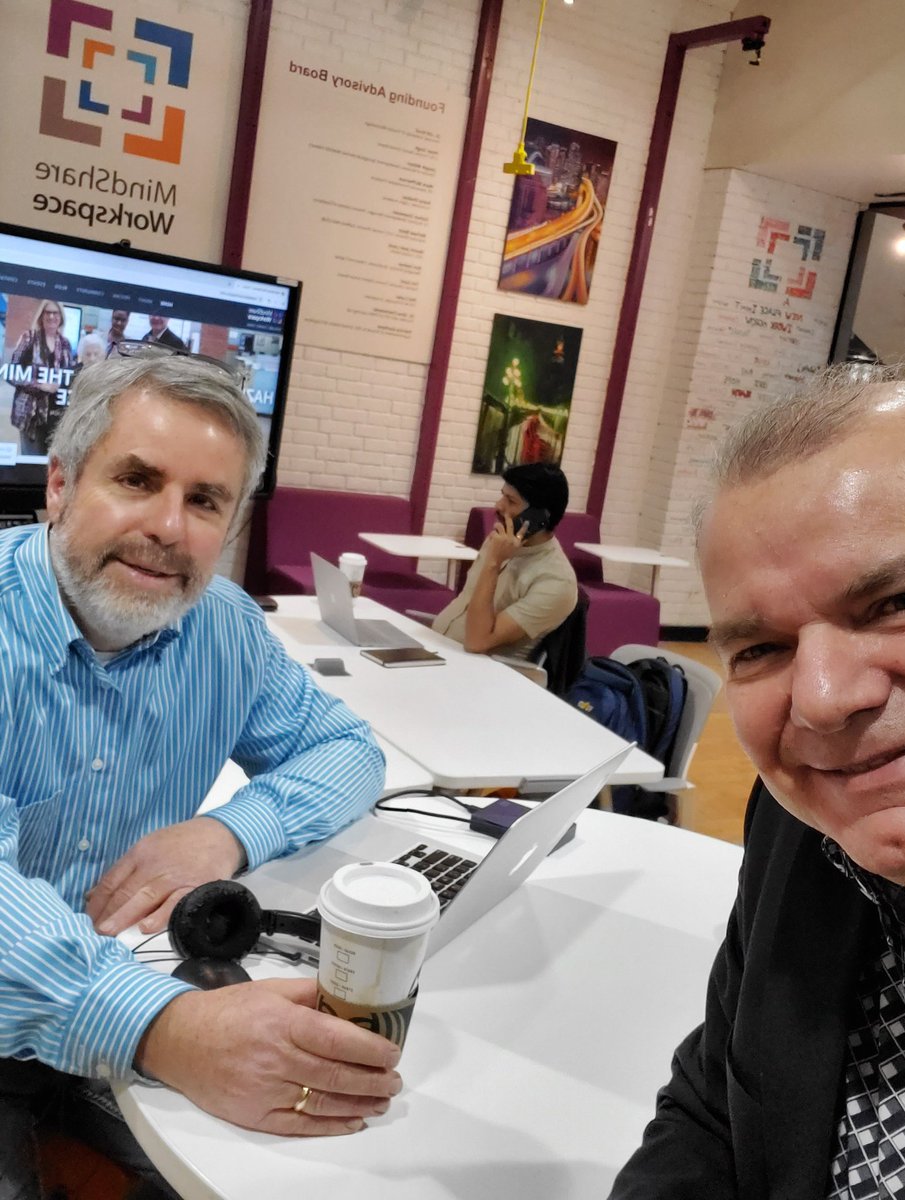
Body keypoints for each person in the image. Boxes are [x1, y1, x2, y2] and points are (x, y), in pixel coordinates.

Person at [0, 352, 399, 1199]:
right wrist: (166, 1028)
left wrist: (227, 830)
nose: (169, 527)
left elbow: (347, 750)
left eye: (206, 500)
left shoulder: (224, 628)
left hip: (128, 985)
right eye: (137, 480)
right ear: (60, 485)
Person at [609, 361, 905, 1199]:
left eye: (901, 601)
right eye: (761, 649)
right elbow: (715, 1105)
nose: (821, 700)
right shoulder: (798, 827)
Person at [433, 463, 577, 659]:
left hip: (476, 668)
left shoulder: (557, 581)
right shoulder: (498, 541)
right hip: (438, 648)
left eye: (511, 501)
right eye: (502, 496)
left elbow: (476, 642)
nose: (498, 506)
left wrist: (494, 562)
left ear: (539, 517)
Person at [7, 298, 74, 456]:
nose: (51, 316)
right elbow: (11, 373)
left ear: (61, 317)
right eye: (47, 312)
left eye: (55, 313)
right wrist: (39, 385)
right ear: (41, 316)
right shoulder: (29, 338)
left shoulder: (65, 344)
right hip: (30, 416)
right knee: (32, 463)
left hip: (55, 419)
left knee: (50, 464)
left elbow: (68, 376)